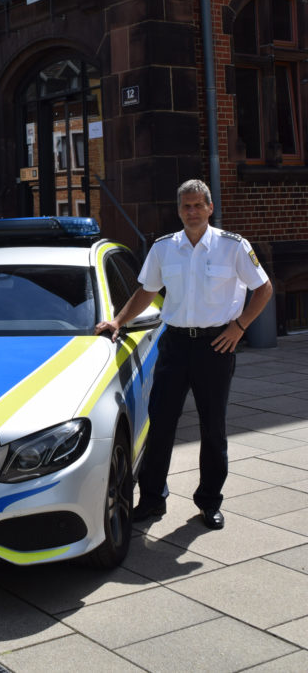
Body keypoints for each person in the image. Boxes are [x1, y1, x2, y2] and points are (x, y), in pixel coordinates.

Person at [95, 179, 273, 530]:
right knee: (160, 425)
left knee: (213, 428)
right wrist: (117, 320)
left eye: (197, 205)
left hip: (215, 347)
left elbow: (264, 288)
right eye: (185, 206)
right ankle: (151, 500)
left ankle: (209, 502)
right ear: (178, 211)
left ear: (210, 208)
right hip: (175, 345)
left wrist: (239, 327)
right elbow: (146, 292)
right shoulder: (164, 248)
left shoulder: (232, 247)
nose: (192, 212)